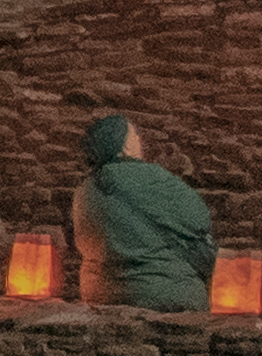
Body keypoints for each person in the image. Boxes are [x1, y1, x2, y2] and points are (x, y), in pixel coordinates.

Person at [74, 108, 219, 311]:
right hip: (165, 292)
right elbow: (198, 218)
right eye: (133, 135)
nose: (139, 140)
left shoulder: (85, 190)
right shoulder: (153, 177)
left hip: (99, 292)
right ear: (123, 145)